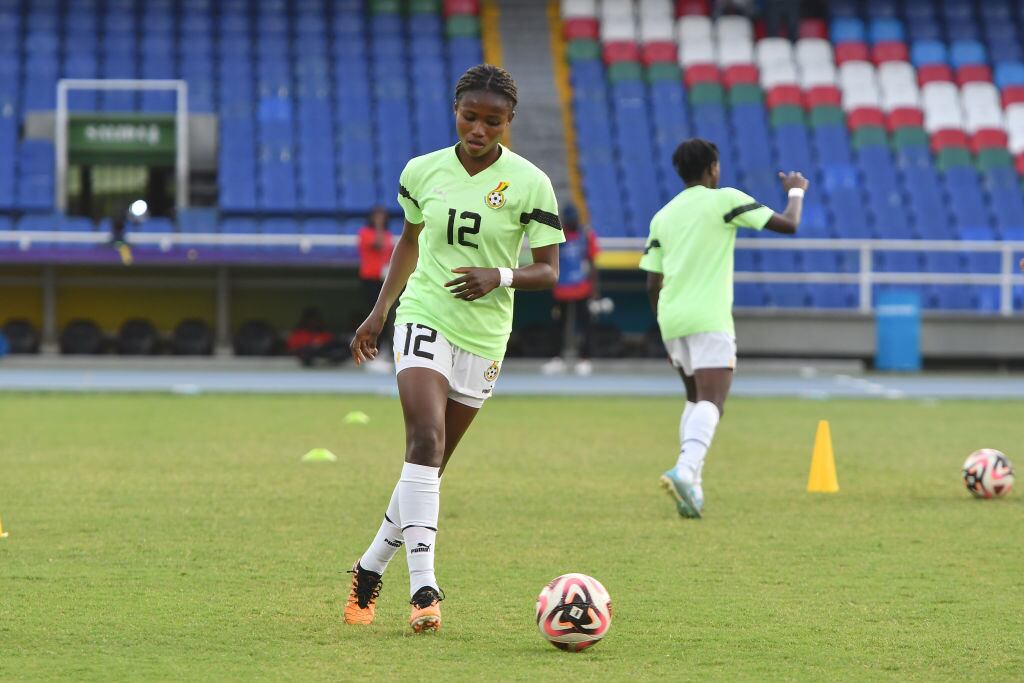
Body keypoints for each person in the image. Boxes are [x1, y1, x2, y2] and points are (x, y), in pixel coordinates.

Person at [346, 64, 563, 633]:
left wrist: (500, 275)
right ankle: (424, 589)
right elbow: (409, 242)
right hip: (425, 315)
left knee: (429, 467)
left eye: (493, 121)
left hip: (485, 337)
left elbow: (548, 270)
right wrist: (380, 311)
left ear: (509, 121)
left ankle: (369, 568)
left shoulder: (531, 183)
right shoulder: (421, 171)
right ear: (455, 111)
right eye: (470, 117)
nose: (479, 130)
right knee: (424, 438)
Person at [640, 138, 808, 519]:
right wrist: (796, 190)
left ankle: (692, 490)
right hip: (708, 318)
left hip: (672, 319)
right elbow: (790, 223)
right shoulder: (724, 200)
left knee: (694, 399)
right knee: (713, 401)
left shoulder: (663, 216)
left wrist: (664, 327)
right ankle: (685, 470)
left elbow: (652, 282)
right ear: (713, 168)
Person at [543, 203, 600, 375]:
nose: (572, 222)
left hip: (582, 289)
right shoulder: (557, 237)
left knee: (584, 326)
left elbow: (592, 263)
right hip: (561, 289)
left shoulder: (586, 236)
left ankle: (585, 359)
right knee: (557, 326)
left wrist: (595, 291)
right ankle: (557, 359)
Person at [357, 206, 395, 368]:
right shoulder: (365, 233)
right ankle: (369, 351)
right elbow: (378, 245)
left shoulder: (388, 234)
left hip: (383, 280)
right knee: (373, 315)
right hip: (370, 279)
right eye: (377, 216)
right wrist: (379, 226)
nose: (380, 219)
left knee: (386, 316)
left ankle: (382, 350)